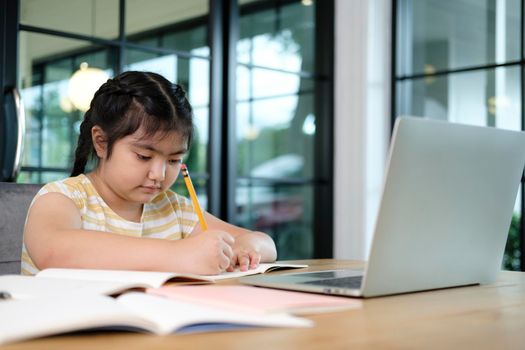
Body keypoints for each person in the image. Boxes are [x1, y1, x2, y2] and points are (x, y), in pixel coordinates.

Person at [21, 71, 277, 276]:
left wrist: (247, 248)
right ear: (101, 142)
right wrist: (179, 254)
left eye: (174, 159)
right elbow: (53, 251)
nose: (158, 173)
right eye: (143, 156)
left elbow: (265, 243)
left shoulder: (174, 210)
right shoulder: (63, 198)